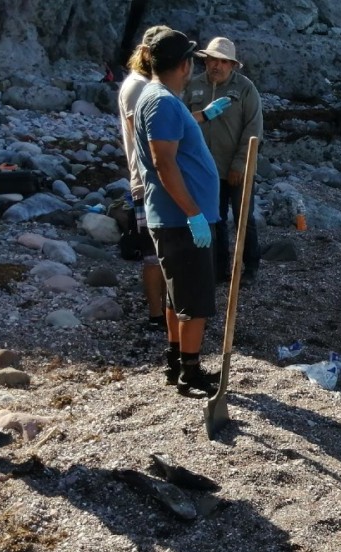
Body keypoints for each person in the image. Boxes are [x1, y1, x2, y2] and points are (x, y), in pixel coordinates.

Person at [133, 29, 221, 398]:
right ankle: (191, 371)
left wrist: (203, 116)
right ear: (184, 65)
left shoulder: (158, 98)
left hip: (174, 217)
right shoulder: (163, 102)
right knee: (195, 299)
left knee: (177, 296)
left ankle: (176, 362)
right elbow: (163, 162)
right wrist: (193, 213)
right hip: (180, 219)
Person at [184, 37, 263, 285]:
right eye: (212, 60)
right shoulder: (193, 86)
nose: (216, 65)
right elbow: (183, 120)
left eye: (222, 61)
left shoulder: (246, 88)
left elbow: (254, 128)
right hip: (207, 169)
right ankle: (219, 271)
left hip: (238, 167)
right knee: (214, 219)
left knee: (243, 219)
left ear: (232, 65)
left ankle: (250, 268)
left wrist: (240, 164)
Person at [118, 25, 171, 331]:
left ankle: (162, 313)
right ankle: (156, 316)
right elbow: (148, 135)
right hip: (149, 181)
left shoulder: (143, 83)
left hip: (150, 178)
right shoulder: (138, 87)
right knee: (154, 254)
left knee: (160, 251)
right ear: (149, 53)